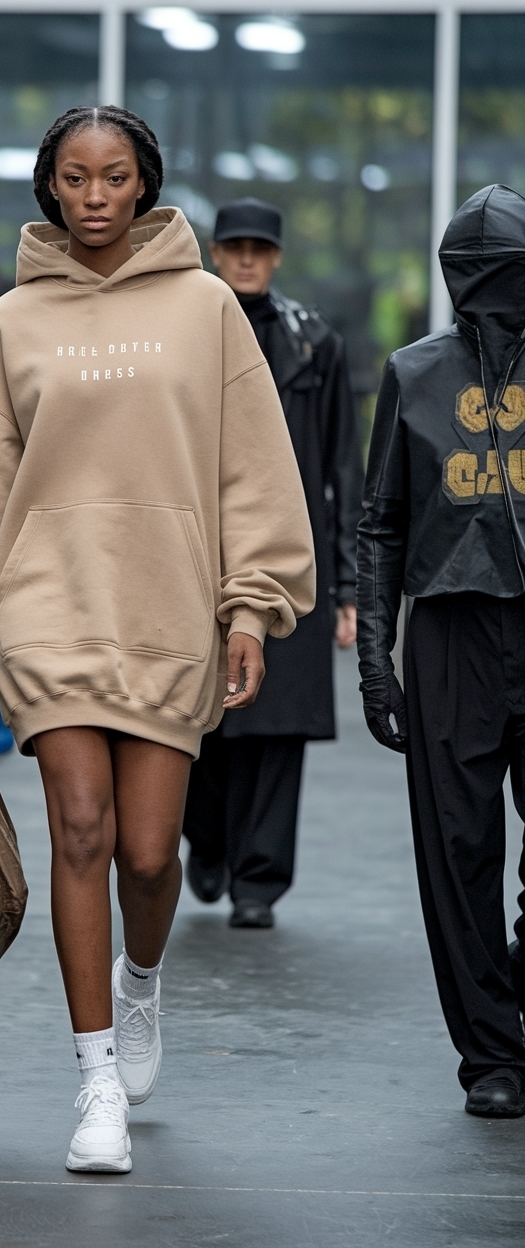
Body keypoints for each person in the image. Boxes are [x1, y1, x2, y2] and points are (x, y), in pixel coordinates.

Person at [0, 105, 315, 1173]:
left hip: (168, 607)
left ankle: (140, 981)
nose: (94, 195)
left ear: (144, 184)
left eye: (115, 176)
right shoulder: (10, 322)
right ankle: (95, 1081)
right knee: (79, 833)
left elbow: (251, 466)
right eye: (75, 178)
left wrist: (249, 604)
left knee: (148, 853)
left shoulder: (206, 308)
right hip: (48, 607)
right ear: (50, 188)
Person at [358, 183, 525, 1118]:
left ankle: (510, 981)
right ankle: (491, 1055)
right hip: (452, 632)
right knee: (457, 851)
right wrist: (374, 659)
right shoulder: (415, 372)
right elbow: (381, 522)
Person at [182, 197, 363, 929]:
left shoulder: (314, 341)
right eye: (235, 246)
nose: (248, 258)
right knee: (197, 717)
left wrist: (348, 583)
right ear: (215, 251)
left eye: (260, 246)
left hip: (291, 557)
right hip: (198, 553)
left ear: (277, 254)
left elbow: (342, 470)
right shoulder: (184, 334)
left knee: (278, 727)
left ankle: (258, 881)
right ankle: (209, 843)